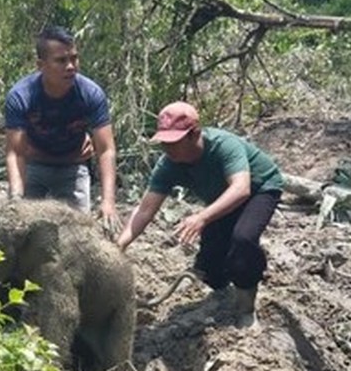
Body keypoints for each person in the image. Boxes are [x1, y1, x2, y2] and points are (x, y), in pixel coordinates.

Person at [115, 102, 284, 327]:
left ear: (194, 134)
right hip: (222, 196)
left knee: (243, 240)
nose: (168, 149)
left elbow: (241, 189)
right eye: (164, 143)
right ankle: (224, 292)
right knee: (212, 269)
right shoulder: (168, 165)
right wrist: (120, 244)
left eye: (174, 142)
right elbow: (145, 209)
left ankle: (246, 307)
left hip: (259, 188)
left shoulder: (223, 145)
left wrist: (202, 217)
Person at [4, 26, 119, 230]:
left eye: (74, 58)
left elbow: (106, 149)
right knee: (20, 228)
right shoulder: (21, 96)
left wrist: (108, 201)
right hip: (34, 165)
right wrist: (16, 199)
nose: (70, 66)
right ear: (41, 65)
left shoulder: (91, 94)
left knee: (80, 234)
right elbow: (16, 153)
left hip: (73, 166)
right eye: (61, 61)